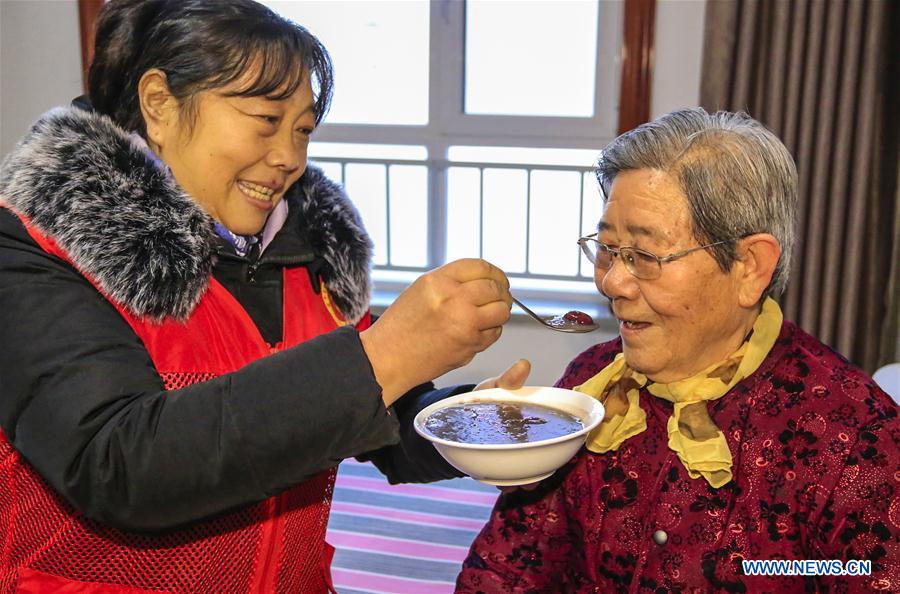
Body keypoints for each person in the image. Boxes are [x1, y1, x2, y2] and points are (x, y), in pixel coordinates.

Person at [0, 1, 531, 592]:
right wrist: (390, 353)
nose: (290, 157)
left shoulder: (308, 251)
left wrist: (468, 420)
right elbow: (118, 464)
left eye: (302, 129)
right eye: (265, 119)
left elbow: (377, 419)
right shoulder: (35, 250)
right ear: (160, 102)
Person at [456, 109, 899, 593]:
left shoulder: (858, 442)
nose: (612, 282)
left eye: (645, 256)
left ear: (750, 266)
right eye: (607, 248)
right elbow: (508, 567)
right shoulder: (593, 382)